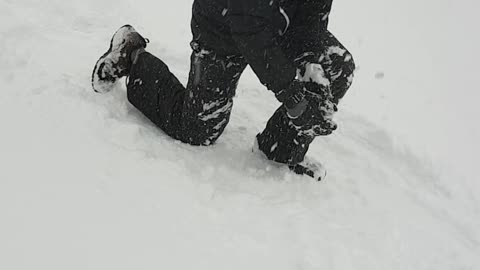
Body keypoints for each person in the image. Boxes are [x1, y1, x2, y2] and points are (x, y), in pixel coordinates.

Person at [92, 0, 355, 180]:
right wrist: (293, 96)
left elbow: (311, 22)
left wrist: (313, 75)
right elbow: (248, 28)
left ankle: (280, 149)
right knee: (196, 131)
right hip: (222, 31)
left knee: (335, 66)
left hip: (275, 29)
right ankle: (132, 55)